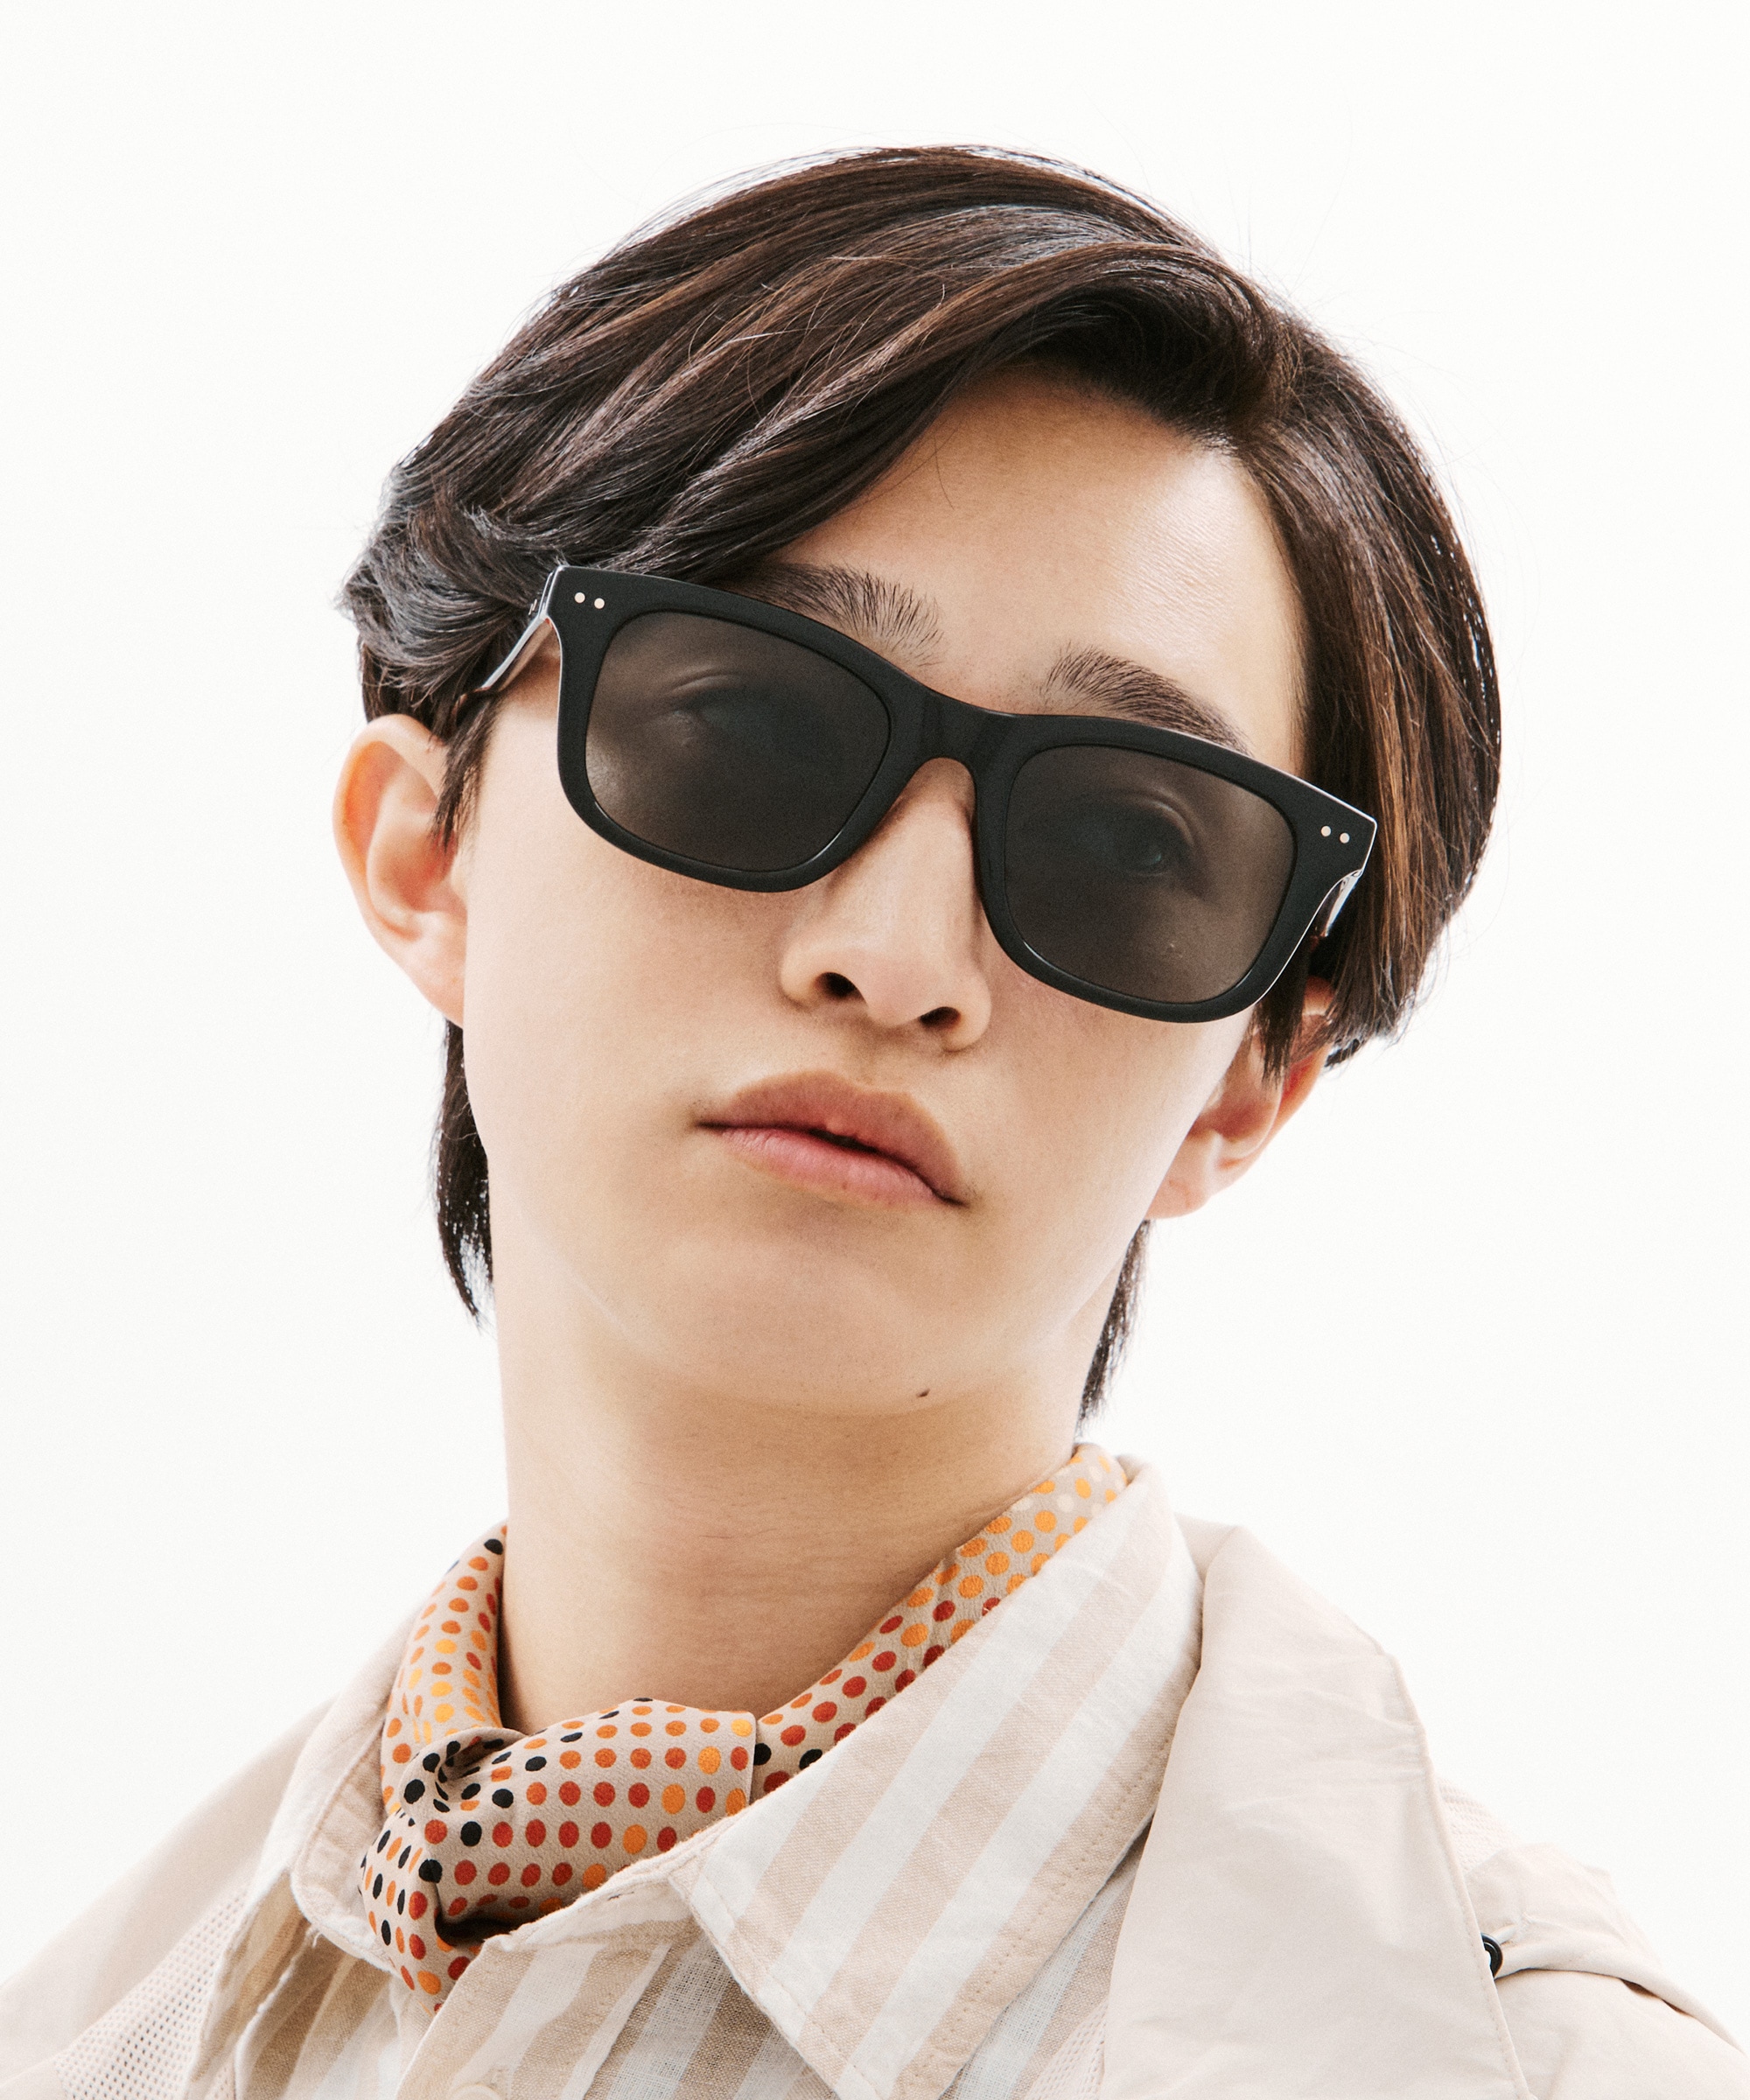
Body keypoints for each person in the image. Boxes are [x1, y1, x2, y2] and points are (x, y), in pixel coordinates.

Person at [3, 146, 1741, 2100]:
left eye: (1125, 842)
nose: (899, 958)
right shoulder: (97, 2041)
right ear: (425, 853)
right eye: (750, 725)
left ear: (1252, 1080)